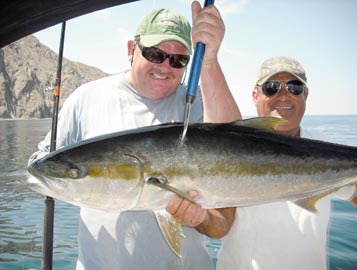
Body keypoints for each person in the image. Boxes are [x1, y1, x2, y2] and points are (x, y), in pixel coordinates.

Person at [30, 2, 240, 270]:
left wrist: (209, 62)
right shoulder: (87, 98)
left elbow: (235, 145)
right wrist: (39, 161)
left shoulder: (200, 103)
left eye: (179, 60)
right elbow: (44, 160)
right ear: (132, 49)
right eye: (155, 54)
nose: (165, 66)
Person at [217, 56, 357, 270]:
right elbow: (216, 224)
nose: (283, 95)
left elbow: (355, 194)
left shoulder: (327, 149)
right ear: (255, 95)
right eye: (271, 87)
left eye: (294, 87)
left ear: (306, 94)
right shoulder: (227, 149)